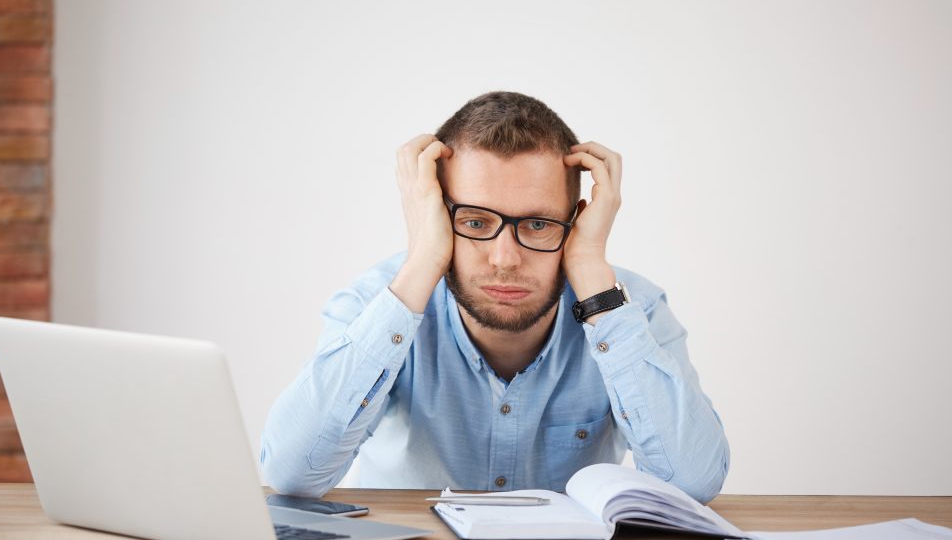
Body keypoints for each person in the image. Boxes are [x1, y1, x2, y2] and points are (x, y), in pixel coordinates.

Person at [260, 91, 729, 502]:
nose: (504, 259)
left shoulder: (633, 311)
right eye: (475, 222)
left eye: (539, 224)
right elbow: (291, 476)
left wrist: (588, 264)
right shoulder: (376, 304)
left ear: (578, 221)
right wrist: (424, 257)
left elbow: (691, 484)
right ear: (440, 217)